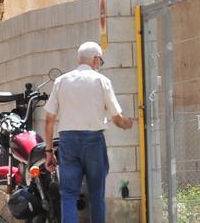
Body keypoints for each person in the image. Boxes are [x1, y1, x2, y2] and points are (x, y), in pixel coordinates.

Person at [43, 42, 135, 223]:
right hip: (93, 141)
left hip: (67, 141)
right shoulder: (101, 81)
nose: (100, 64)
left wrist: (48, 152)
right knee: (96, 194)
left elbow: (49, 120)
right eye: (100, 60)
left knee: (68, 194)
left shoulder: (61, 81)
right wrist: (127, 124)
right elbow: (117, 118)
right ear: (95, 59)